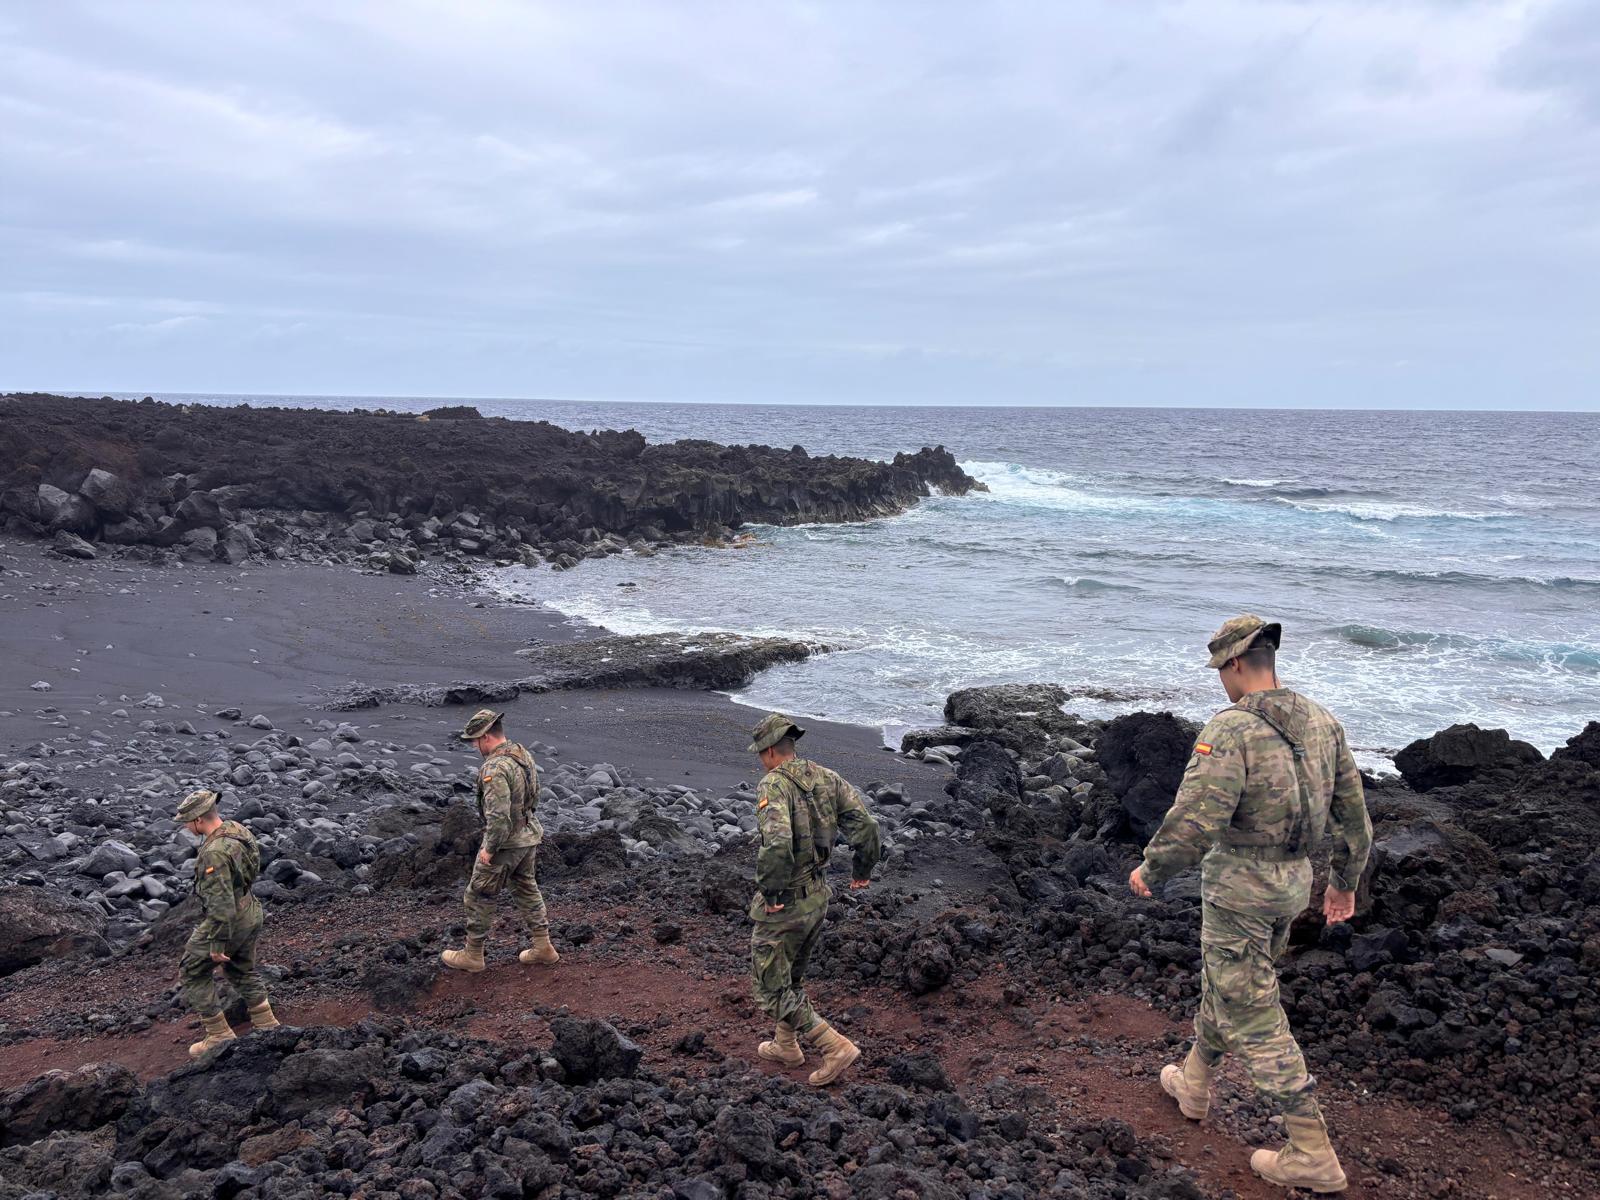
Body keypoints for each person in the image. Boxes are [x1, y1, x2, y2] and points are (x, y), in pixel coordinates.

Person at [1129, 614, 1372, 1194]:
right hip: (1292, 884)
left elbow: (1198, 816)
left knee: (1255, 1014)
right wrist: (1343, 881)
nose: (1221, 680)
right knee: (1235, 985)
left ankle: (1311, 1151)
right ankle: (1193, 1082)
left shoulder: (1232, 729)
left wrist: (1152, 867)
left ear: (1235, 663)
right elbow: (1354, 815)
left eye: (1221, 669)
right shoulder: (1322, 721)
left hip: (1240, 889)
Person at [745, 712, 882, 1086]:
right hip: (818, 896)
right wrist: (862, 871)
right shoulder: (826, 776)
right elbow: (867, 826)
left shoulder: (774, 784)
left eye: (761, 754)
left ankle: (832, 1044)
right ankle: (785, 1045)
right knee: (791, 977)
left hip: (786, 902)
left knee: (770, 987)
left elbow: (776, 844)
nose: (761, 760)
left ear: (771, 751)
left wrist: (771, 892)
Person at [441, 708, 558, 972]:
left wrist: (489, 849)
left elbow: (498, 816)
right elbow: (535, 794)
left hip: (506, 843)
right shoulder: (521, 753)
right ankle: (543, 947)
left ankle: (473, 955)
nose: (474, 745)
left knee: (478, 895)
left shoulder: (495, 767)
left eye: (475, 740)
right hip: (528, 836)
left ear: (485, 737)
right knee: (527, 887)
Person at [175, 789, 278, 1057]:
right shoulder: (237, 830)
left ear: (199, 820)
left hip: (230, 919)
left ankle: (218, 1035)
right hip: (251, 909)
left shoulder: (214, 853)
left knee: (192, 971)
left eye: (187, 821)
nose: (186, 826)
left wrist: (216, 943)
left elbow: (220, 903)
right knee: (240, 968)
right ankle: (267, 1024)